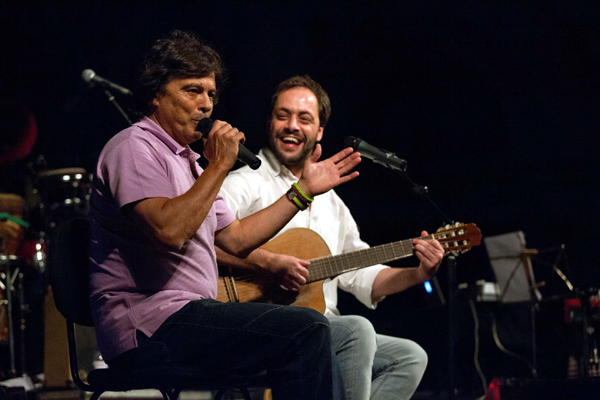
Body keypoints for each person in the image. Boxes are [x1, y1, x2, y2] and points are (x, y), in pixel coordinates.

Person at [88, 32, 360, 400]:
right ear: (156, 93)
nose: (206, 106)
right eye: (192, 91)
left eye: (211, 94)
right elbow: (168, 230)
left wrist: (303, 191)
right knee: (307, 329)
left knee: (319, 332)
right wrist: (219, 165)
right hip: (149, 326)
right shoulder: (134, 147)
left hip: (190, 318)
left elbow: (236, 237)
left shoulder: (188, 162)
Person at [218, 75, 445, 400]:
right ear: (270, 122)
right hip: (260, 323)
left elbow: (359, 272)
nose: (292, 125)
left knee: (409, 357)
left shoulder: (332, 203)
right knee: (357, 330)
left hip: (322, 328)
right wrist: (269, 262)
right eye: (283, 115)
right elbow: (204, 240)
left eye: (304, 118)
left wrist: (419, 273)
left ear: (320, 131)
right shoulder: (245, 182)